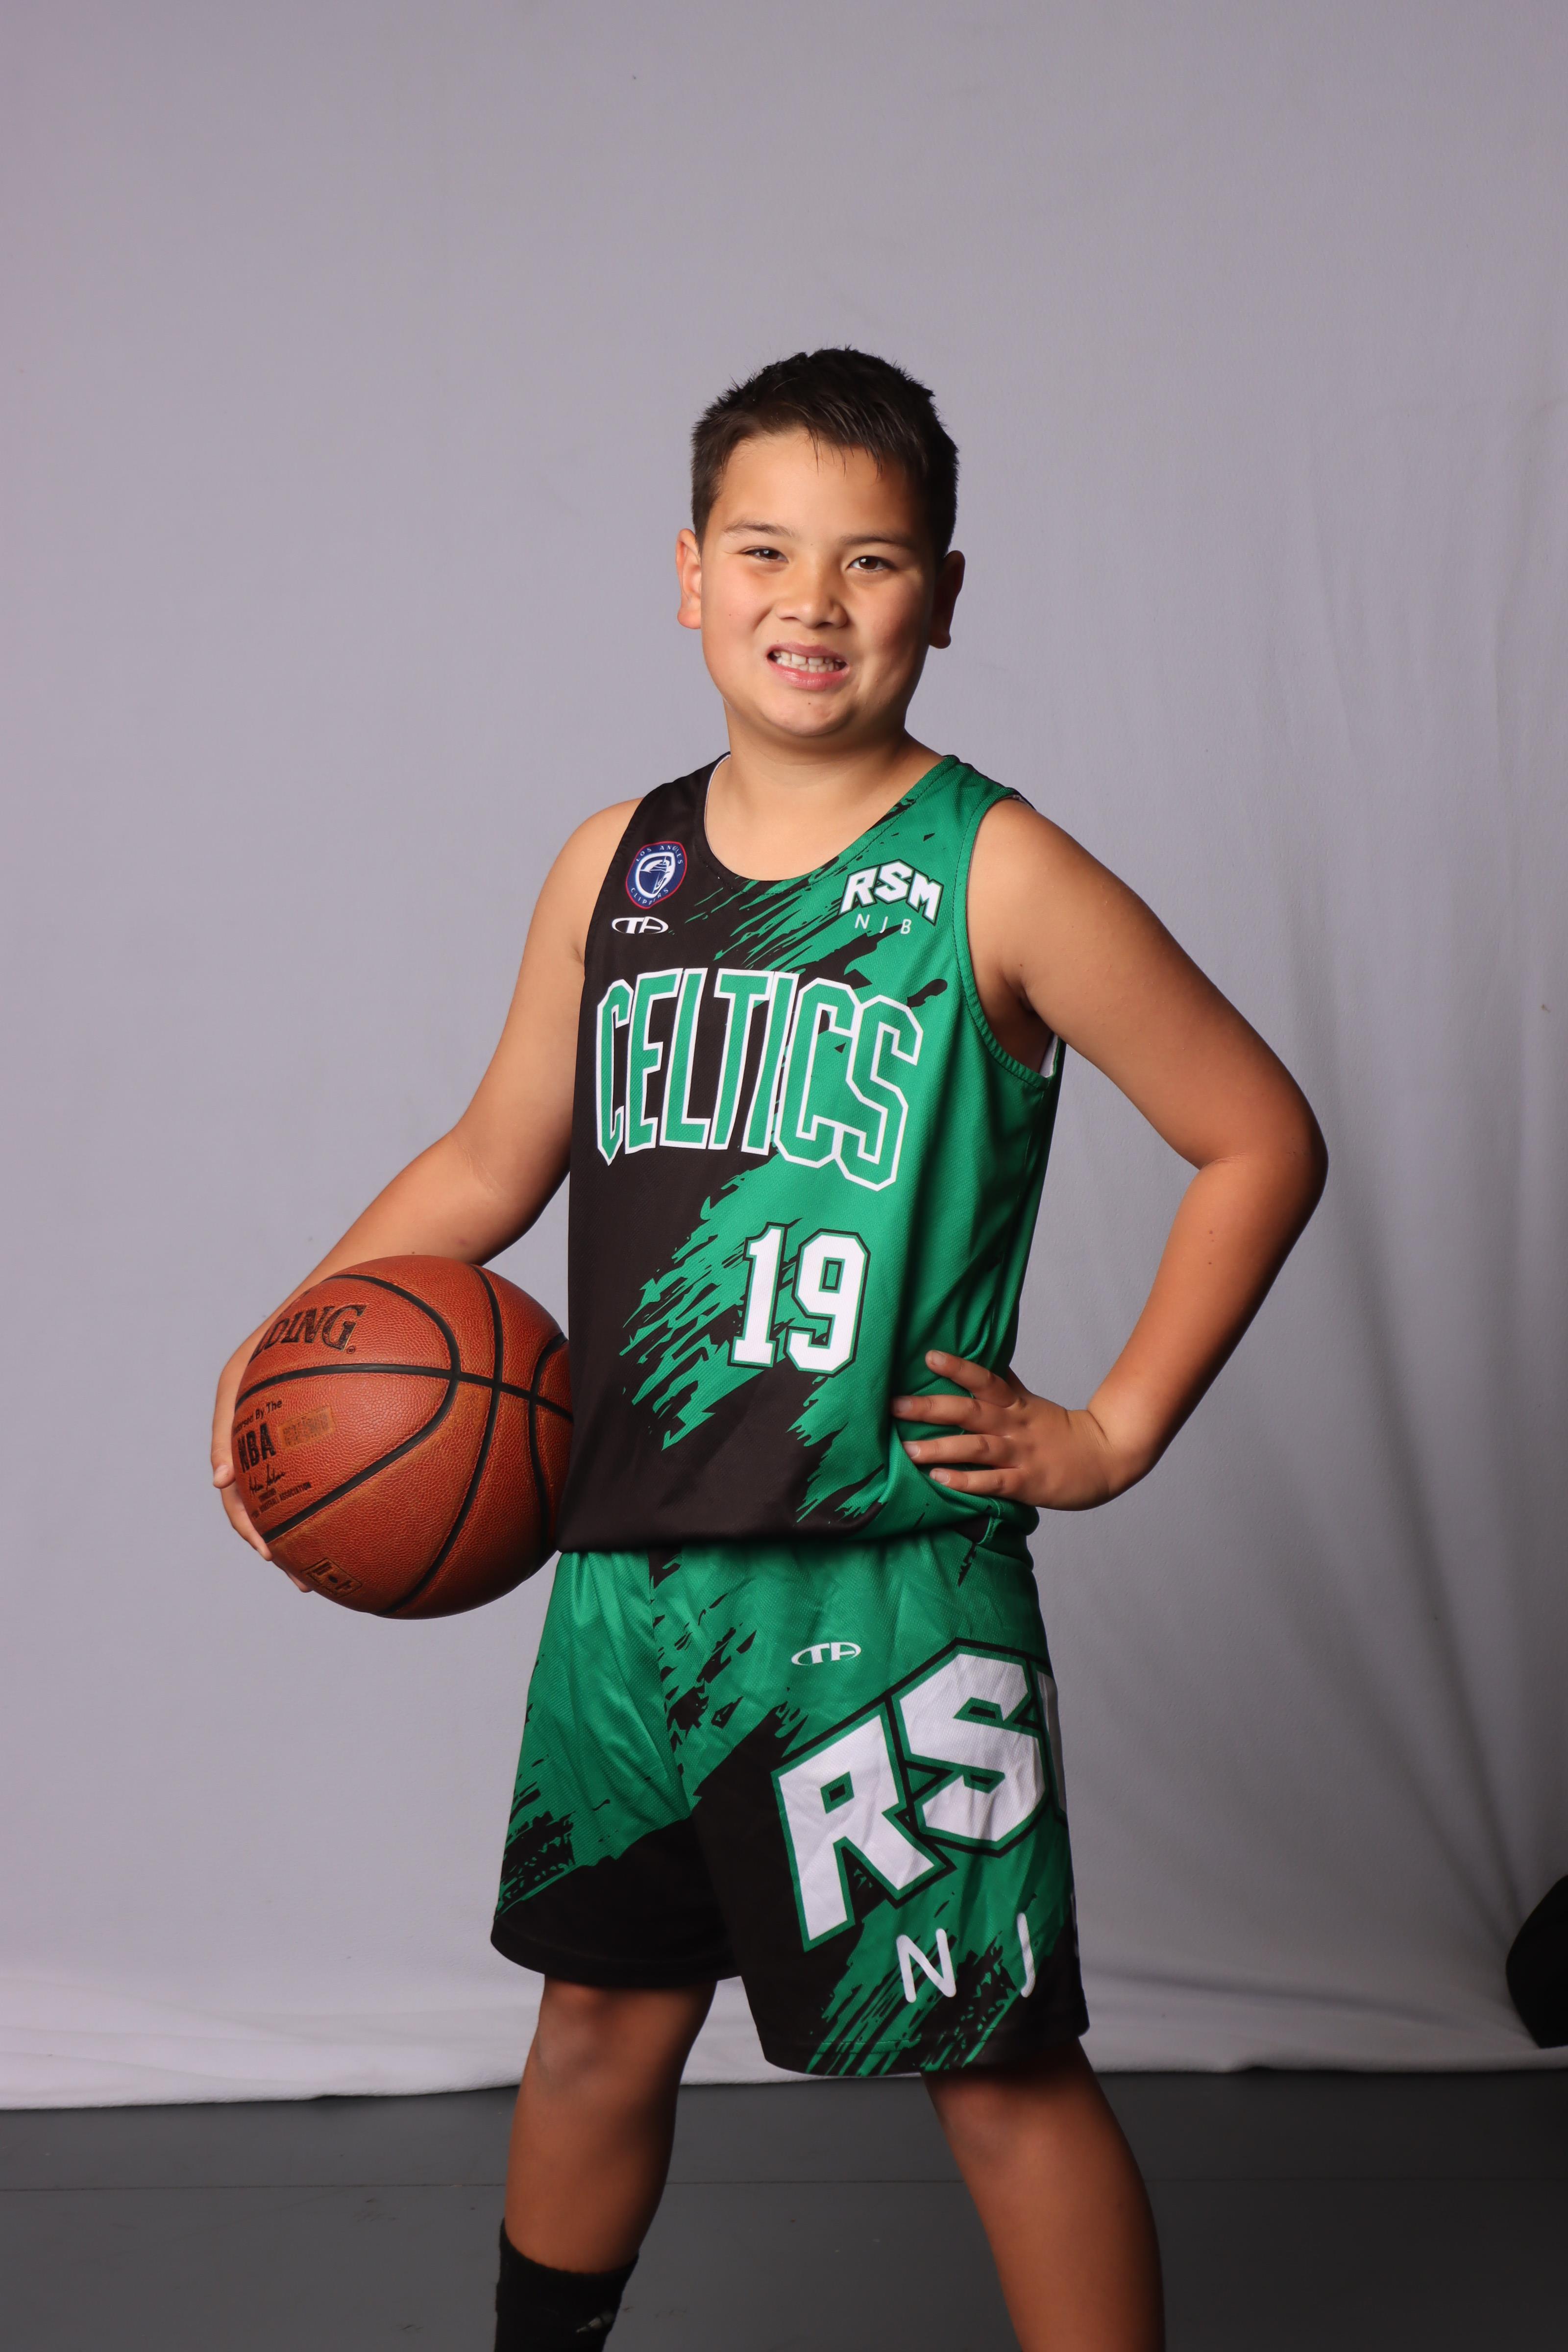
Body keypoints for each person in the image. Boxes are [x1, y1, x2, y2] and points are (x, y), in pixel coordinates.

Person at [212, 346, 1326, 2352]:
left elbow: (1257, 1134)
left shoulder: (994, 868)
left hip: (885, 1586)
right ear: (687, 575)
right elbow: (490, 1159)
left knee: (992, 2071)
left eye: (869, 560)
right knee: (591, 2035)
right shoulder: (613, 866)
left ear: (943, 597)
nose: (812, 600)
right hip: (630, 1590)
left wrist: (1112, 1430)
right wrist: (283, 1350)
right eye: (764, 550)